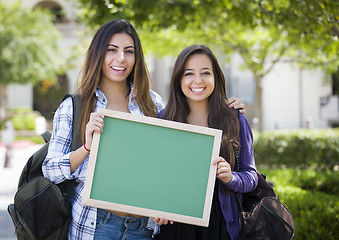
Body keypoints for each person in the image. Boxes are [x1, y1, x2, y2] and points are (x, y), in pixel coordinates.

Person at [42, 19, 246, 240]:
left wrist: (224, 108)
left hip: (143, 229)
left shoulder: (152, 104)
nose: (121, 58)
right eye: (112, 50)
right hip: (95, 225)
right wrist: (86, 147)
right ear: (98, 54)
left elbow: (176, 162)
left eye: (129, 51)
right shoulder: (76, 106)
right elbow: (50, 170)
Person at [154, 45, 258, 240]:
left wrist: (231, 178)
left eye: (205, 73)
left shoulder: (235, 120)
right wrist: (155, 207)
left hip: (222, 225)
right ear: (178, 79)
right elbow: (154, 177)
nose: (198, 80)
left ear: (216, 77)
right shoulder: (163, 120)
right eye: (189, 73)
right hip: (176, 225)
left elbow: (252, 177)